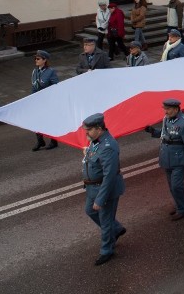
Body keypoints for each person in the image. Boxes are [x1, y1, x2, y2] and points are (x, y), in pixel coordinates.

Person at [80, 113, 125, 266]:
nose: (86, 133)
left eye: (89, 130)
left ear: (99, 128)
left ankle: (107, 250)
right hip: (93, 188)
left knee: (105, 221)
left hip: (105, 190)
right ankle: (117, 228)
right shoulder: (96, 140)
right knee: (90, 211)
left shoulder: (108, 146)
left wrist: (100, 199)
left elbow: (110, 176)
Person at [145, 99, 184, 220]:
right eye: (165, 109)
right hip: (167, 157)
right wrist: (153, 131)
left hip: (178, 159)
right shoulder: (167, 119)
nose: (165, 112)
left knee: (176, 185)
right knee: (171, 185)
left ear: (176, 109)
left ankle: (182, 209)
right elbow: (165, 134)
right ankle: (179, 205)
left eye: (168, 109)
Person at [31, 50, 60, 151]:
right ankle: (40, 140)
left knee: (50, 121)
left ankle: (54, 141)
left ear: (44, 60)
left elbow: (56, 86)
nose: (36, 60)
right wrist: (32, 99)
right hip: (38, 101)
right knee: (36, 120)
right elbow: (34, 87)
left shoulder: (50, 71)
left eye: (38, 59)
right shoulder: (35, 71)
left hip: (48, 100)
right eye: (35, 58)